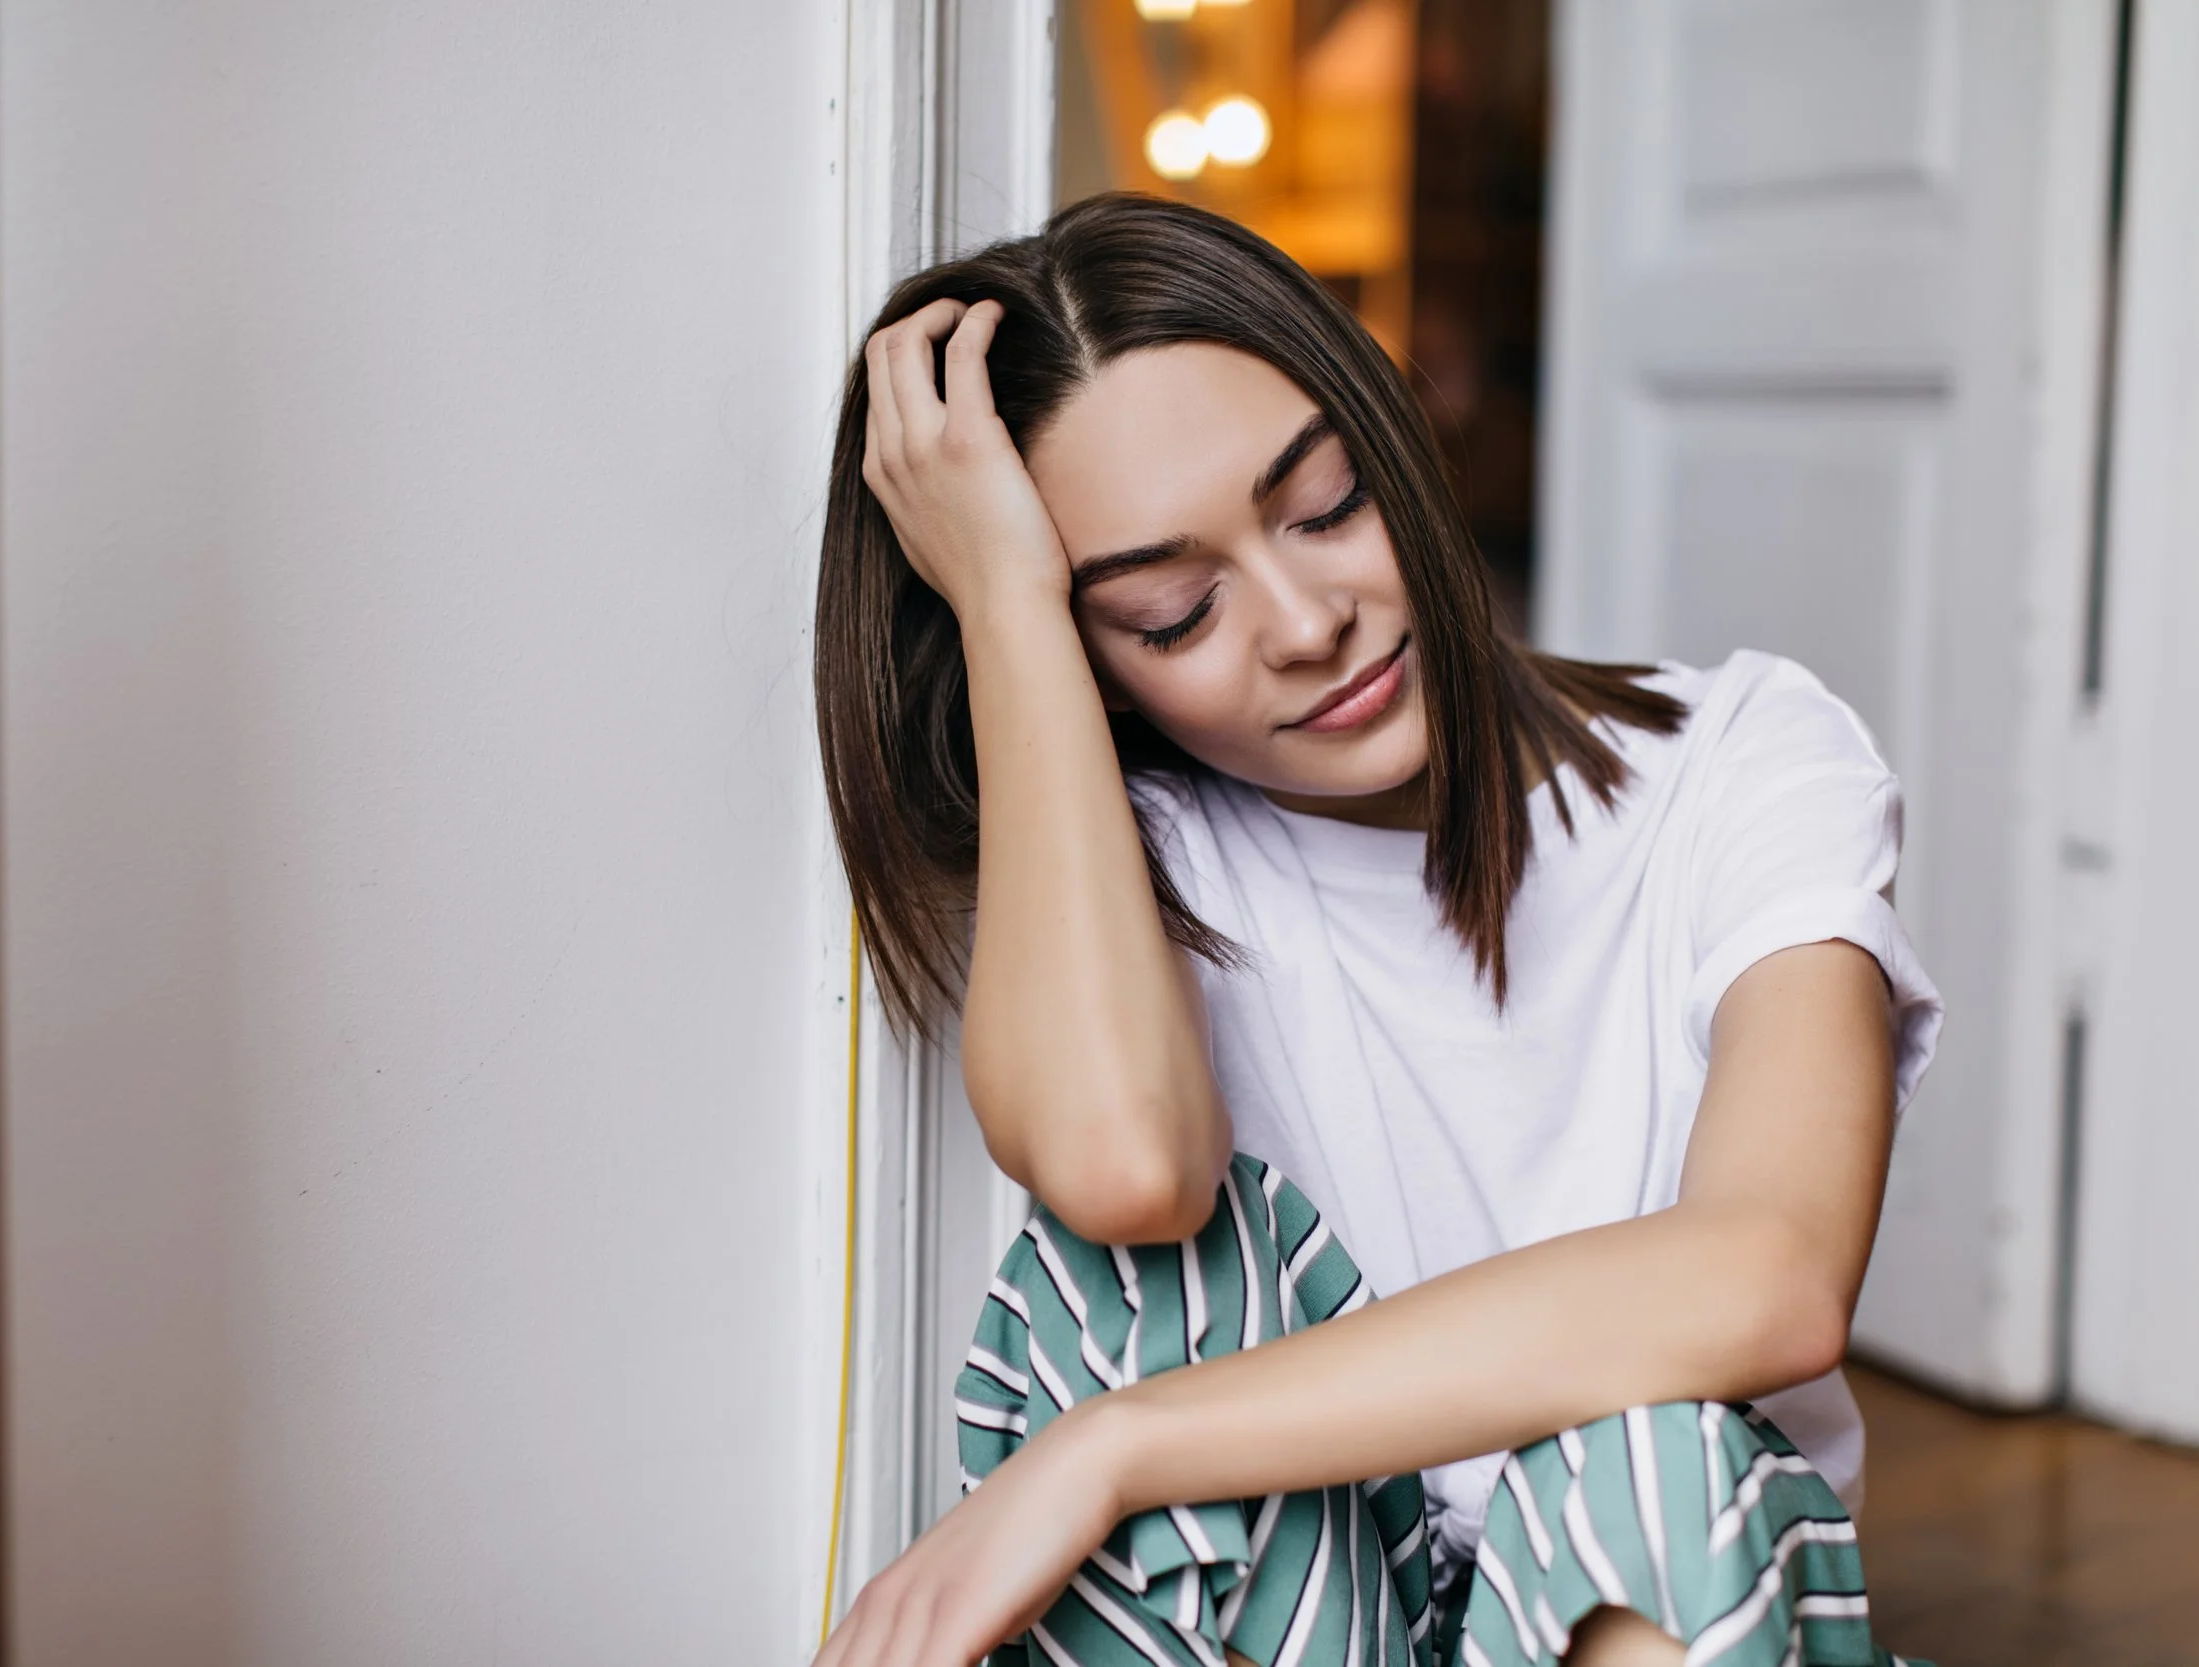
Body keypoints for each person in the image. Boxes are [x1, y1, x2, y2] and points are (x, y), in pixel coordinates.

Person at [808, 194, 1942, 1667]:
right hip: (1312, 1603)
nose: (1301, 620)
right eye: (1170, 612)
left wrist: (1110, 1448)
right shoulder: (1133, 864)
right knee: (1141, 1278)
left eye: (1327, 504)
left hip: (1664, 1612)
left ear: (1391, 432)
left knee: (1651, 1467)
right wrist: (1009, 603)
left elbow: (1770, 1278)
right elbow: (1126, 1166)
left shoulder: (1744, 756)